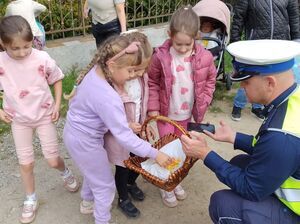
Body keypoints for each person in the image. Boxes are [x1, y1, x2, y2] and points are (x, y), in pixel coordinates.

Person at [180, 39, 300, 223]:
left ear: (270, 82)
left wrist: (205, 154)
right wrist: (233, 137)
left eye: (246, 84)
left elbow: (251, 189)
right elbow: (267, 148)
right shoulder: (292, 98)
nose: (241, 88)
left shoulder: (281, 137)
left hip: (295, 212)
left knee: (222, 204)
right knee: (238, 162)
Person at [63, 34, 173, 224]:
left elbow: (95, 112)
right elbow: (125, 138)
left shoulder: (98, 71)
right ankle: (102, 220)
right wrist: (155, 153)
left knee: (95, 171)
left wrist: (125, 124)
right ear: (112, 65)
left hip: (78, 135)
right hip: (84, 142)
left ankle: (88, 201)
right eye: (132, 71)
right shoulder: (108, 95)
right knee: (105, 186)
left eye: (140, 70)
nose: (136, 76)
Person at [0, 16, 79, 224]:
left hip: (44, 115)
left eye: (26, 46)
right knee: (26, 163)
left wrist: (57, 103)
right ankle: (30, 198)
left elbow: (57, 78)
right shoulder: (1, 62)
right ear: (2, 43)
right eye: (15, 48)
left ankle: (65, 171)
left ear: (31, 40)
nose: (22, 52)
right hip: (19, 119)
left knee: (52, 159)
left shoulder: (42, 58)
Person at [147, 5, 217, 208]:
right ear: (170, 35)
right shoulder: (160, 56)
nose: (184, 49)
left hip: (188, 116)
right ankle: (166, 184)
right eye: (179, 44)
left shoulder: (204, 56)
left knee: (182, 150)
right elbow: (152, 81)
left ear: (196, 36)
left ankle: (174, 179)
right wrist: (152, 108)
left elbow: (211, 79)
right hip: (166, 114)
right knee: (167, 149)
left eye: (188, 44)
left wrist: (205, 98)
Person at [104, 31, 153, 218]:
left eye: (143, 69)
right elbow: (107, 116)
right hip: (120, 136)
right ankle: (123, 197)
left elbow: (144, 100)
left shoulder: (141, 78)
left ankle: (131, 184)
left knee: (140, 160)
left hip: (138, 130)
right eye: (135, 69)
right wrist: (126, 125)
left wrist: (144, 120)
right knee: (123, 166)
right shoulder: (112, 85)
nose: (139, 73)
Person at [230, 0, 300, 121]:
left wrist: (296, 38)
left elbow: (294, 16)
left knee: (269, 80)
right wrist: (235, 43)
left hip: (280, 44)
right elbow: (239, 17)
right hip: (256, 44)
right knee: (250, 78)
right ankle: (238, 105)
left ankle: (258, 107)